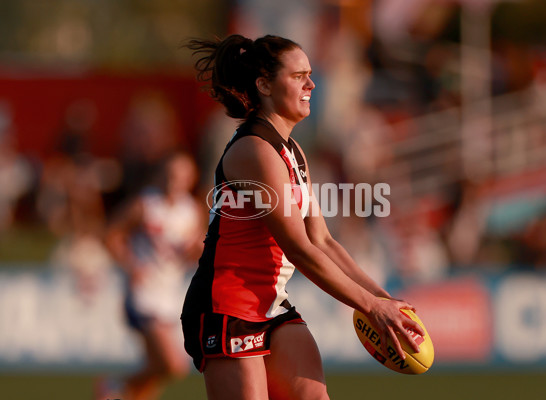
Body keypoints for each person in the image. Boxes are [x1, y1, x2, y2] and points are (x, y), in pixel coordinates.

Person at [180, 34, 424, 400]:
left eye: (310, 74)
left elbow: (323, 241)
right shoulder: (254, 150)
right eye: (298, 76)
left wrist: (383, 300)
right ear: (264, 85)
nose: (311, 84)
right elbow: (299, 248)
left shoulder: (292, 151)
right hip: (226, 305)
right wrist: (370, 307)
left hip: (270, 303)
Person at [103, 151, 205, 400]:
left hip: (171, 294)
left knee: (157, 368)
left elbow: (194, 254)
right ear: (161, 174)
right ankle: (114, 386)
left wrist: (196, 251)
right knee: (173, 365)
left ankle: (123, 394)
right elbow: (112, 235)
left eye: (181, 175)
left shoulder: (191, 212)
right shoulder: (146, 204)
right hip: (144, 293)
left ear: (191, 179)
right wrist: (131, 264)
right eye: (170, 174)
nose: (174, 180)